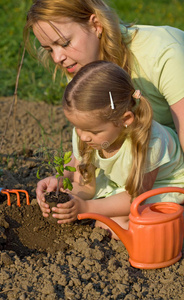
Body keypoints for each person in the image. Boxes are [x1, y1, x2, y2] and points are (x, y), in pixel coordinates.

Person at [23, 0, 184, 203]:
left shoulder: (163, 53)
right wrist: (63, 176)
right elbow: (92, 138)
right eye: (49, 49)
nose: (57, 58)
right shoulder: (81, 64)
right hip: (146, 162)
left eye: (64, 43)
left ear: (96, 25)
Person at [35, 61, 184, 239]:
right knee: (104, 221)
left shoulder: (150, 142)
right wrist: (60, 190)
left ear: (125, 119)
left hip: (160, 185)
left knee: (111, 226)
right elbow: (86, 187)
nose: (83, 137)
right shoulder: (86, 135)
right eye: (77, 127)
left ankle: (176, 219)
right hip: (120, 183)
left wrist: (86, 208)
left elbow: (135, 197)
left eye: (94, 131)